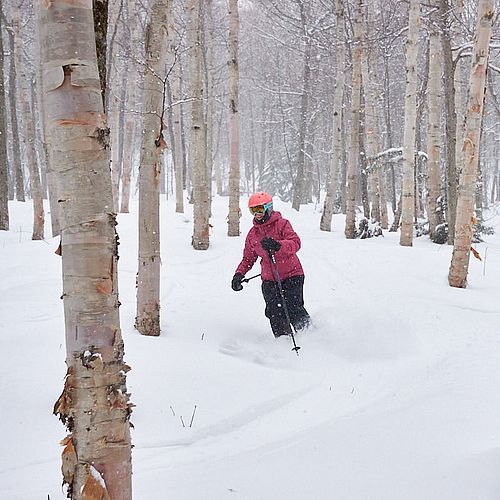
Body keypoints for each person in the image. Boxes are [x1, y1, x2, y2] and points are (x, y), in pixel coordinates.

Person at [231, 191, 311, 338]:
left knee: (293, 309)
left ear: (268, 208)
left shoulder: (282, 224)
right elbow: (248, 258)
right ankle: (283, 341)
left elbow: (295, 243)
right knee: (274, 312)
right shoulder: (252, 234)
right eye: (253, 210)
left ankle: (310, 336)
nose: (257, 214)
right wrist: (239, 274)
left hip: (292, 275)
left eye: (259, 209)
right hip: (269, 280)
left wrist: (278, 245)